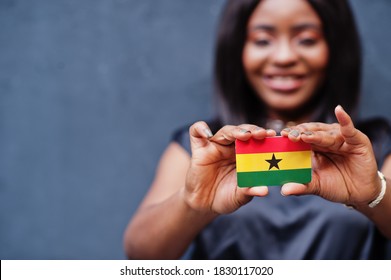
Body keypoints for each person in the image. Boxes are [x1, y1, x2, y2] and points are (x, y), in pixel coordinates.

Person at [124, 0, 391, 259]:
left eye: (307, 39)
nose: (284, 57)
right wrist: (192, 203)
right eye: (262, 40)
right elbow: (141, 255)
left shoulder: (371, 146)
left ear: (334, 48)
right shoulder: (205, 147)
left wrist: (373, 193)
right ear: (238, 48)